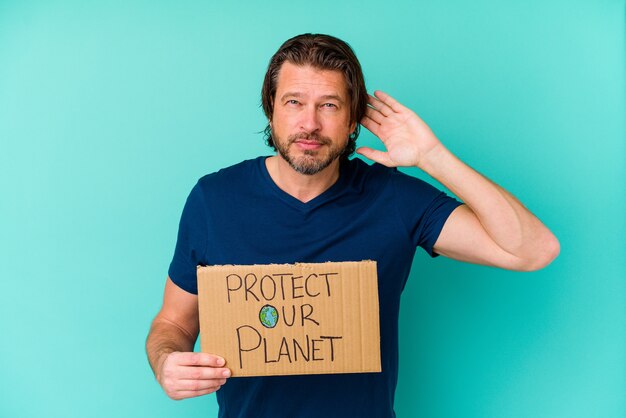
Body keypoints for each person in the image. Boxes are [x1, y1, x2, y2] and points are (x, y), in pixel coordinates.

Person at [146, 33, 559, 417]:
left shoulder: (395, 199)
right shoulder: (214, 199)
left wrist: (433, 157)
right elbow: (174, 323)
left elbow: (534, 251)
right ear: (271, 108)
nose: (310, 123)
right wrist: (167, 361)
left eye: (329, 105)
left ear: (352, 121)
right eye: (293, 102)